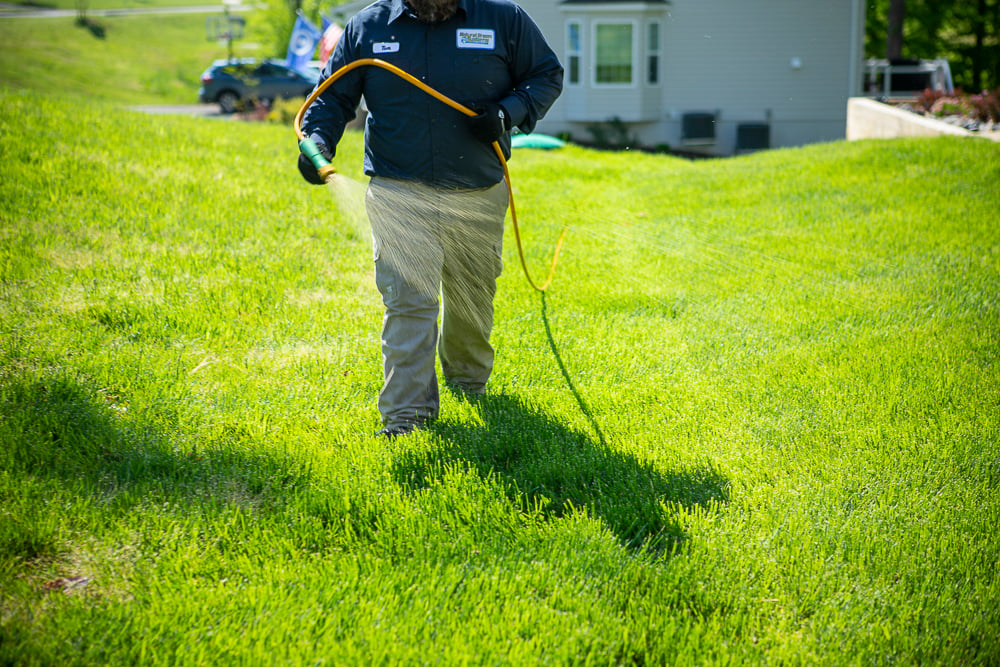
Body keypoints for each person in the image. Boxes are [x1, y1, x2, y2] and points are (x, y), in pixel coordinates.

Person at [298, 0, 563, 438]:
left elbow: (545, 75)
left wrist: (506, 113)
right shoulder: (367, 27)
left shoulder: (503, 18)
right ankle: (406, 418)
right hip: (398, 188)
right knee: (409, 301)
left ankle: (467, 381)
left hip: (477, 187)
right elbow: (331, 100)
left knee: (471, 294)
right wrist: (319, 142)